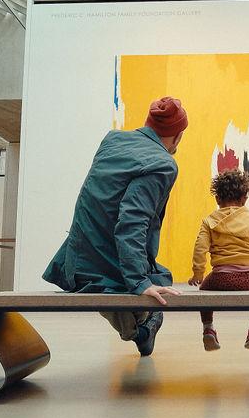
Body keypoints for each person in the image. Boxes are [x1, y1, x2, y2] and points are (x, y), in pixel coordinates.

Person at [42, 97, 187, 356]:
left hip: (75, 260)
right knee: (156, 282)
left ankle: (141, 330)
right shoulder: (163, 164)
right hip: (107, 263)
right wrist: (139, 282)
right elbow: (132, 221)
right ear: (177, 137)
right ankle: (142, 328)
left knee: (122, 281)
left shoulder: (113, 140)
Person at [188, 169, 249, 350]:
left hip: (220, 278)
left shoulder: (209, 221)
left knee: (204, 291)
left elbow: (200, 249)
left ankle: (208, 328)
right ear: (244, 199)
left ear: (217, 199)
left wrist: (198, 273)